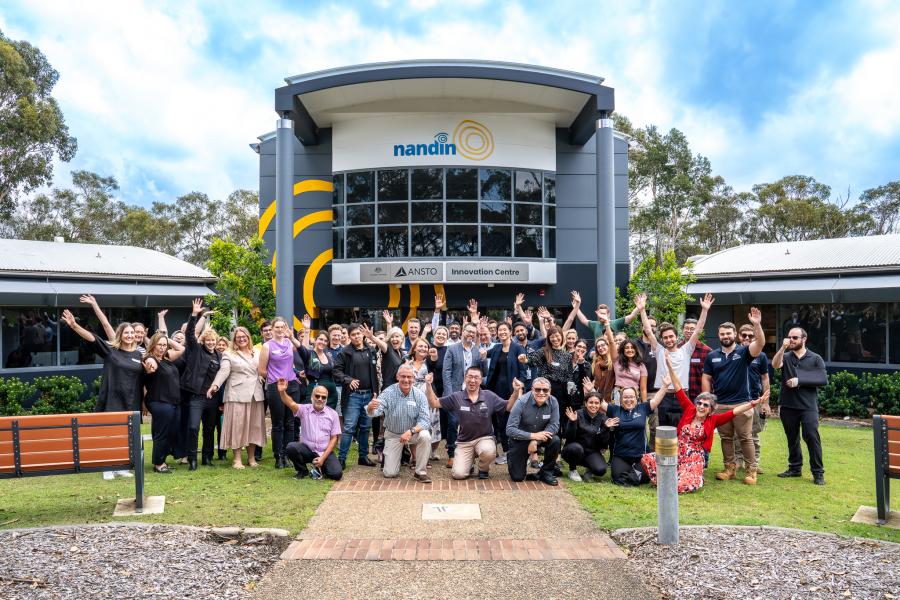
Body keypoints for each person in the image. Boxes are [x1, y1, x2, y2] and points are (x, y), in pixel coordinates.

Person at [641, 354, 760, 493]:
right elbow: (678, 387)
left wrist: (752, 404)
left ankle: (684, 478)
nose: (701, 406)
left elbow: (734, 412)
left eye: (706, 405)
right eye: (699, 403)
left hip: (694, 457)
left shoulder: (713, 420)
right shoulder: (690, 409)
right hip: (676, 451)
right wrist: (669, 366)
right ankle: (666, 479)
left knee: (681, 485)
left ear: (711, 410)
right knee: (647, 459)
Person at [61, 309, 144, 479]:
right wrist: (75, 326)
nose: (129, 336)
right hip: (112, 400)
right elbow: (92, 338)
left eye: (131, 333)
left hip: (131, 400)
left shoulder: (139, 354)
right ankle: (107, 467)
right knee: (109, 433)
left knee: (125, 434)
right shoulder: (111, 350)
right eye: (126, 333)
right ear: (120, 335)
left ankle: (121, 466)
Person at [701, 308, 766, 485]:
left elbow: (759, 344)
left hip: (742, 404)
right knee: (726, 438)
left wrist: (757, 325)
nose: (725, 336)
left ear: (735, 334)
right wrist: (707, 400)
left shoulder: (744, 353)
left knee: (746, 437)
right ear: (719, 335)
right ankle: (730, 468)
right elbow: (706, 377)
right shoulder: (712, 356)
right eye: (722, 333)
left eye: (729, 333)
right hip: (720, 404)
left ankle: (751, 471)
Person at [425, 367, 521, 480]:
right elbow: (434, 403)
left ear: (481, 380)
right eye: (470, 377)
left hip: (484, 438)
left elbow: (509, 406)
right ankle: (469, 465)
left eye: (476, 377)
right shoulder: (457, 397)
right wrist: (428, 384)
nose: (472, 380)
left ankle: (483, 468)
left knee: (488, 451)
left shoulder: (489, 396)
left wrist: (516, 391)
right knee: (458, 474)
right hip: (464, 442)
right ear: (465, 378)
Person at [639, 293, 713, 427]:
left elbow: (697, 330)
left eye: (671, 337)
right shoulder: (659, 350)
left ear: (676, 336)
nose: (669, 340)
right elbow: (649, 331)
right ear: (662, 339)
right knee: (663, 430)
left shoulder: (686, 350)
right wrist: (642, 310)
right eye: (665, 337)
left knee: (682, 429)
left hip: (682, 396)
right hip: (664, 395)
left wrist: (705, 310)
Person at [772, 327, 828, 485]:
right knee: (792, 438)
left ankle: (818, 473)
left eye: (795, 337)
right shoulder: (787, 356)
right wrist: (782, 348)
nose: (791, 340)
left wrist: (799, 380)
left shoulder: (815, 358)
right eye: (789, 337)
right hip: (788, 405)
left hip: (808, 406)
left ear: (804, 339)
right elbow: (776, 365)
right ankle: (795, 468)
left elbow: (823, 379)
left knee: (811, 437)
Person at [207, 327, 266, 470]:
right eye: (238, 337)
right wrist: (215, 385)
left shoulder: (258, 352)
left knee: (254, 427)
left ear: (249, 337)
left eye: (244, 336)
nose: (242, 338)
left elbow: (263, 369)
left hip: (255, 395)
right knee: (237, 427)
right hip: (236, 394)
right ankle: (237, 459)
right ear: (234, 340)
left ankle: (251, 458)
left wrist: (261, 375)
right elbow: (224, 371)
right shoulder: (229, 354)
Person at [366, 365, 432, 483]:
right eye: (403, 376)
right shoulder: (388, 392)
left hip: (412, 433)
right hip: (393, 434)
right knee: (390, 473)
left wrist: (411, 431)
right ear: (397, 377)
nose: (406, 380)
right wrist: (370, 408)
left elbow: (425, 420)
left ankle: (420, 472)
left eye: (409, 377)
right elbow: (376, 411)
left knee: (425, 435)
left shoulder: (420, 395)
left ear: (414, 378)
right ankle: (396, 456)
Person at [181, 299, 222, 470]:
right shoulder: (196, 351)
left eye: (213, 341)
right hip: (196, 396)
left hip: (212, 398)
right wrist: (196, 315)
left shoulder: (220, 356)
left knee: (209, 428)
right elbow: (190, 334)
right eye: (208, 341)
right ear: (204, 341)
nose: (211, 343)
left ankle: (207, 457)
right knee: (193, 427)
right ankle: (192, 459)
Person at [258, 315, 304, 469]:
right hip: (275, 386)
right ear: (272, 329)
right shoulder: (267, 346)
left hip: (292, 385)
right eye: (276, 327)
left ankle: (288, 455)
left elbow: (302, 348)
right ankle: (278, 456)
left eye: (282, 326)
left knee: (290, 422)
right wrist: (276, 379)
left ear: (286, 328)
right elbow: (261, 370)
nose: (279, 329)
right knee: (278, 423)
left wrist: (292, 336)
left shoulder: (289, 344)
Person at [333, 323, 379, 470]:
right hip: (353, 396)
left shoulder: (370, 350)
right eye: (353, 335)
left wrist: (375, 391)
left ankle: (363, 457)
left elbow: (374, 374)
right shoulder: (344, 352)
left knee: (366, 427)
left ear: (363, 334)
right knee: (349, 428)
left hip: (369, 395)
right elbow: (336, 371)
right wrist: (349, 380)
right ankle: (341, 459)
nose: (356, 337)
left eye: (358, 334)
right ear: (349, 337)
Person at [277, 379, 343, 480]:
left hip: (324, 452)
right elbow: (290, 403)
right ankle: (302, 471)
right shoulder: (304, 410)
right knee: (291, 447)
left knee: (336, 474)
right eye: (317, 396)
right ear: (312, 396)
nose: (320, 399)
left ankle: (319, 467)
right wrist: (282, 391)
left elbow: (334, 438)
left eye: (323, 397)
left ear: (326, 399)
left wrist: (322, 458)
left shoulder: (333, 414)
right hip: (307, 450)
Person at [605, 383, 669, 486]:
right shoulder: (615, 410)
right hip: (621, 456)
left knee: (644, 477)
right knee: (616, 477)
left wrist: (665, 386)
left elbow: (657, 399)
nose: (628, 399)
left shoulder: (643, 408)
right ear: (621, 399)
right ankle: (633, 474)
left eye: (631, 397)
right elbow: (599, 402)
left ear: (636, 397)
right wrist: (590, 390)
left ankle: (633, 474)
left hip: (641, 456)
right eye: (625, 397)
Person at [141, 331, 186, 473]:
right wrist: (150, 367)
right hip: (159, 400)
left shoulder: (166, 357)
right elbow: (150, 364)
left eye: (164, 345)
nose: (162, 347)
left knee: (171, 431)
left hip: (172, 401)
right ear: (153, 345)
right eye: (159, 344)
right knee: (162, 433)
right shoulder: (150, 359)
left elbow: (181, 349)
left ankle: (163, 460)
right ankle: (158, 464)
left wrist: (167, 338)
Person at [441, 322, 485, 468]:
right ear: (463, 332)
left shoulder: (477, 351)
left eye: (473, 332)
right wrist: (449, 393)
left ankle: (469, 454)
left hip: (472, 393)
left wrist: (483, 360)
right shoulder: (452, 349)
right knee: (453, 423)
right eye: (468, 331)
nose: (470, 334)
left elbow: (482, 372)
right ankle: (451, 454)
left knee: (470, 423)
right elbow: (446, 372)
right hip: (455, 391)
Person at [483, 322, 527, 464]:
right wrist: (482, 352)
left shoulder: (518, 348)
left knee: (513, 421)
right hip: (495, 391)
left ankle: (517, 453)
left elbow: (523, 371)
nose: (501, 332)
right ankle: (506, 452)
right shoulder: (496, 348)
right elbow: (483, 352)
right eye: (499, 330)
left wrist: (520, 385)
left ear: (510, 332)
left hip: (512, 391)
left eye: (504, 330)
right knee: (499, 422)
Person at [506, 377, 561, 485]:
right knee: (517, 477)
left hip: (541, 438)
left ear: (550, 391)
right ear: (532, 389)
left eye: (545, 390)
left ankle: (546, 473)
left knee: (555, 440)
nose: (541, 393)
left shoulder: (553, 401)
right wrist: (533, 436)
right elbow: (510, 429)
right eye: (538, 389)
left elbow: (554, 426)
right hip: (520, 439)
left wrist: (535, 440)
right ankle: (512, 456)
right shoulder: (521, 402)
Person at [733, 323, 771, 473]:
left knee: (753, 433)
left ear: (755, 337)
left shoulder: (760, 355)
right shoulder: (733, 353)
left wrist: (765, 402)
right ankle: (738, 461)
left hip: (755, 399)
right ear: (739, 336)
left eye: (751, 335)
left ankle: (754, 463)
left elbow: (765, 378)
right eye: (744, 335)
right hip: (736, 400)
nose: (747, 338)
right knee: (737, 433)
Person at [520, 325, 572, 410]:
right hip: (546, 389)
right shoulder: (544, 351)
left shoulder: (568, 356)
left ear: (562, 336)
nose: (555, 339)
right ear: (548, 338)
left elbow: (569, 375)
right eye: (552, 337)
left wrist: (570, 388)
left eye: (557, 336)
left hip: (562, 391)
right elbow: (533, 360)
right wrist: (525, 360)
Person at [561, 391, 610, 482]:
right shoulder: (577, 414)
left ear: (600, 405)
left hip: (591, 451)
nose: (593, 405)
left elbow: (604, 443)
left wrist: (606, 429)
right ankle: (572, 470)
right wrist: (572, 422)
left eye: (596, 403)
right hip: (574, 448)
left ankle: (590, 468)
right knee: (576, 448)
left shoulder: (603, 418)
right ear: (585, 403)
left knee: (601, 470)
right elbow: (568, 436)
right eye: (591, 402)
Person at [297, 316, 339, 410]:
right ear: (315, 340)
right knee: (313, 420)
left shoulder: (328, 355)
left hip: (331, 395)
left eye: (325, 341)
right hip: (316, 394)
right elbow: (303, 348)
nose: (323, 342)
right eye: (320, 339)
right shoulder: (310, 353)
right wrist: (307, 330)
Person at [569, 289, 640, 339]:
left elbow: (631, 317)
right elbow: (583, 320)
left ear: (608, 314)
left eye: (603, 313)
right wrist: (576, 308)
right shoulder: (595, 324)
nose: (601, 316)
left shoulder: (615, 323)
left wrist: (639, 307)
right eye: (599, 314)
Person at [679, 318, 712, 401]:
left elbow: (711, 376)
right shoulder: (677, 349)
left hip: (699, 396)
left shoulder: (707, 351)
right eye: (686, 328)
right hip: (680, 396)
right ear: (682, 330)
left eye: (692, 329)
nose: (689, 331)